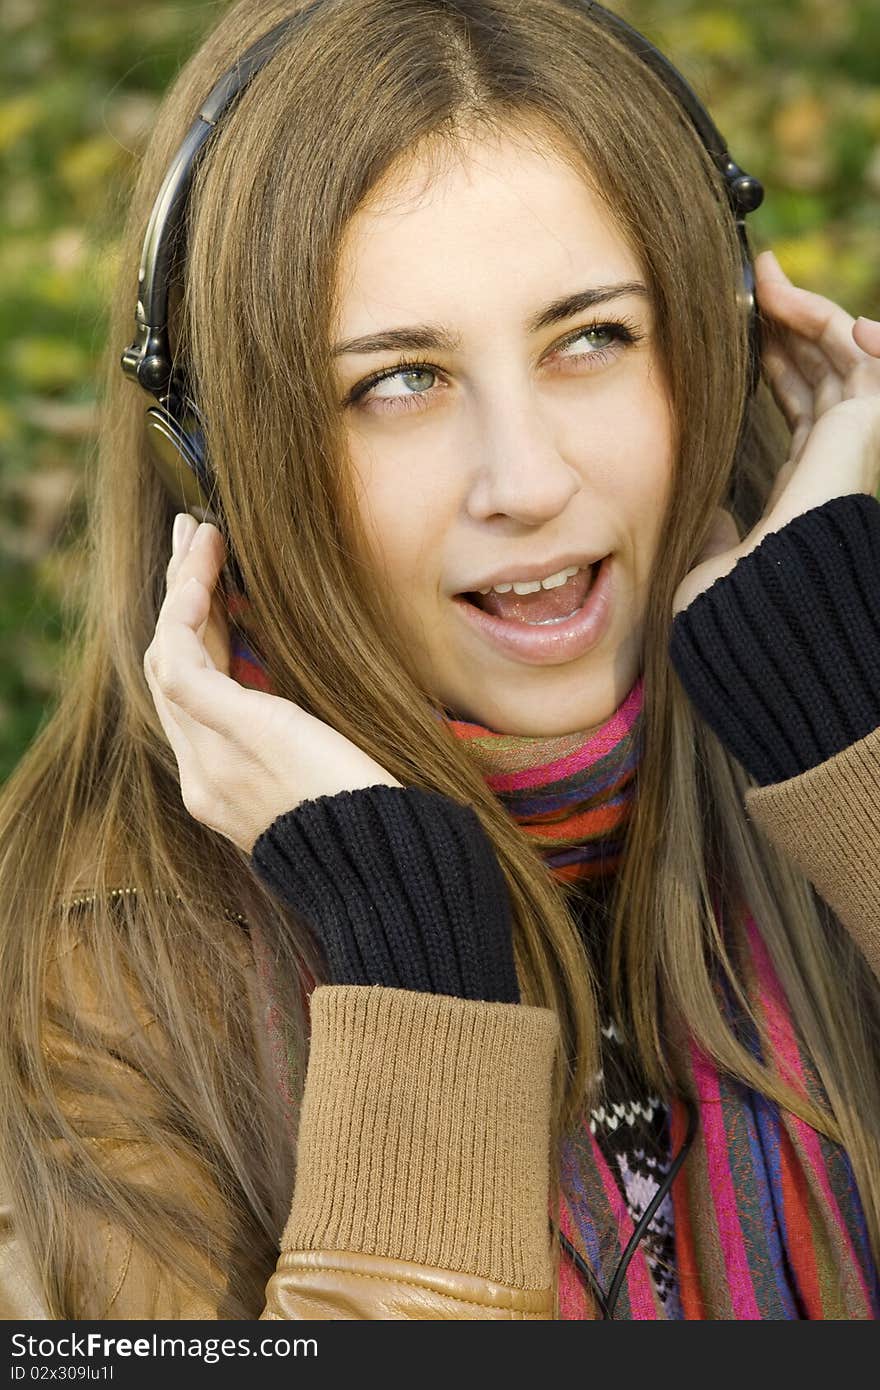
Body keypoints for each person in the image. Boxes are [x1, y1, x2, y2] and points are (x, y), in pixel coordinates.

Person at [1, 0, 879, 1321]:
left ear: (722, 350)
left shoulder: (841, 747)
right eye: (398, 381)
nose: (526, 482)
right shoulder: (89, 981)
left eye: (591, 338)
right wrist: (411, 968)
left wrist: (843, 736)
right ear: (223, 454)